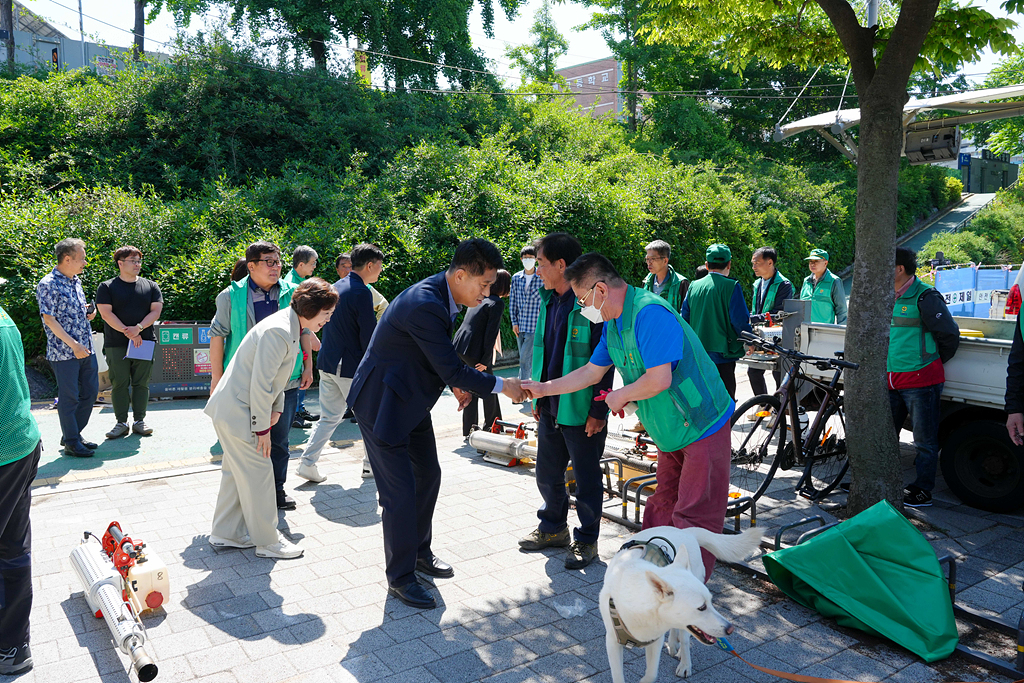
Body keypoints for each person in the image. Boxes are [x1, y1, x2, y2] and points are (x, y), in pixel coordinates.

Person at [523, 253, 733, 582]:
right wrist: (544, 388)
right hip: (669, 430)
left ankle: (687, 592)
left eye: (582, 299)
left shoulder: (649, 313)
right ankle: (649, 574)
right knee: (663, 502)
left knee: (694, 514)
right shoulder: (613, 324)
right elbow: (592, 372)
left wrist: (620, 395)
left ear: (601, 290)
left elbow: (659, 379)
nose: (581, 308)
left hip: (702, 424)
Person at [347, 239, 528, 609]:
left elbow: (434, 356)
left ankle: (418, 554)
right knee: (398, 494)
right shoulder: (425, 303)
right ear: (460, 275)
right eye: (483, 284)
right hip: (383, 404)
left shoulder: (445, 296)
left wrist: (456, 382)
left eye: (491, 285)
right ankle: (399, 577)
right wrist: (501, 386)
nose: (487, 292)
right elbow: (448, 364)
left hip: (409, 399)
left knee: (428, 475)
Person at [205, 279, 337, 559]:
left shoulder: (288, 325)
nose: (328, 319)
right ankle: (267, 541)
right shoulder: (279, 331)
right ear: (312, 309)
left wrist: (275, 409)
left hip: (234, 409)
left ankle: (225, 533)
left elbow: (273, 379)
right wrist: (262, 428)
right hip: (240, 411)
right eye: (327, 314)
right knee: (260, 475)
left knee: (236, 474)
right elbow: (262, 384)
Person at [518, 234, 614, 570]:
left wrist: (599, 410)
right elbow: (543, 352)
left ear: (562, 265)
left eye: (541, 263)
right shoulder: (548, 300)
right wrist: (538, 396)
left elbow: (607, 360)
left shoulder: (590, 305)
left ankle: (586, 539)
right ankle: (553, 528)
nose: (537, 269)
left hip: (582, 408)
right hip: (550, 405)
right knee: (546, 473)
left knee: (586, 479)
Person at [209, 241, 314, 511]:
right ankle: (250, 494)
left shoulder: (293, 293)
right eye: (269, 261)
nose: (276, 266)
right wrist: (216, 379)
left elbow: (305, 331)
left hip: (285, 379)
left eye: (278, 261)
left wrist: (308, 366)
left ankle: (277, 490)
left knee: (279, 440)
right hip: (243, 382)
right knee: (248, 440)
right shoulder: (230, 296)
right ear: (251, 265)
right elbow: (218, 336)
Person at [297, 243, 385, 484]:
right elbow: (369, 336)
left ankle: (307, 463)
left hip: (327, 361)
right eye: (379, 266)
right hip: (349, 367)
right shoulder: (361, 292)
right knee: (370, 417)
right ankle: (370, 466)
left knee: (330, 416)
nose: (380, 271)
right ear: (369, 265)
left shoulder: (336, 287)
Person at [887, 248, 959, 508]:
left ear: (899, 269)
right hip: (892, 379)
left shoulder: (925, 296)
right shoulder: (887, 295)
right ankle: (881, 482)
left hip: (921, 381)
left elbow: (949, 335)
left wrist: (928, 363)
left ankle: (923, 490)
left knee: (925, 441)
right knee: (885, 436)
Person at [0, 306, 42, 675]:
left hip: (3, 453)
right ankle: (12, 645)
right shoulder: (3, 316)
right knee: (12, 550)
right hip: (19, 444)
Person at [36, 238, 99, 458]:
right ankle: (72, 441)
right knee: (70, 397)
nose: (85, 262)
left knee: (91, 393)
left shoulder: (76, 281)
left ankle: (72, 433)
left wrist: (90, 312)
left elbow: (75, 310)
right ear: (67, 258)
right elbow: (49, 320)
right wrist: (73, 345)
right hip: (65, 352)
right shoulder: (47, 283)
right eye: (82, 258)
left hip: (86, 348)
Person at [95, 246, 163, 439]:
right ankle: (121, 422)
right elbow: (106, 314)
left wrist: (139, 328)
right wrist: (130, 333)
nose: (137, 264)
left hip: (145, 341)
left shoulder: (150, 286)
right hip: (116, 343)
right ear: (120, 263)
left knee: (142, 383)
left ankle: (139, 421)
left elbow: (156, 311)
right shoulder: (106, 287)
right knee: (119, 383)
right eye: (133, 261)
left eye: (139, 261)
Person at [680, 244, 753, 400]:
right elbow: (739, 321)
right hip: (723, 352)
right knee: (725, 396)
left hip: (698, 352)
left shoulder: (694, 286)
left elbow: (684, 318)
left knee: (703, 396)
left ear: (706, 265)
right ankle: (726, 424)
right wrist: (751, 341)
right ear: (729, 264)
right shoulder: (732, 286)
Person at [453, 269, 511, 436]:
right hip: (474, 350)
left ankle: (469, 429)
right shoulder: (497, 303)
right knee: (490, 386)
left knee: (472, 386)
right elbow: (490, 334)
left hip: (461, 345)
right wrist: (485, 361)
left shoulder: (483, 299)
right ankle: (493, 426)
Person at [747, 246, 793, 397]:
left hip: (777, 336)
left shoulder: (784, 285)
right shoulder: (757, 284)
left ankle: (779, 409)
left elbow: (779, 313)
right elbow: (756, 309)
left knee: (778, 372)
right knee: (753, 370)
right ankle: (764, 406)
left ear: (770, 263)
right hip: (759, 334)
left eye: (757, 263)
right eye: (753, 263)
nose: (754, 267)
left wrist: (753, 319)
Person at [284, 246, 321, 427]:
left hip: (299, 338)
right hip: (295, 339)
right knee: (297, 373)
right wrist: (311, 334)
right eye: (312, 263)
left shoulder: (297, 281)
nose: (314, 267)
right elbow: (298, 317)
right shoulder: (292, 285)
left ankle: (299, 409)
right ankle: (295, 414)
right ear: (301, 264)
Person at [510, 245, 543, 389]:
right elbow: (513, 302)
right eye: (525, 258)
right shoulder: (516, 278)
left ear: (536, 259)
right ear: (521, 259)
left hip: (534, 326)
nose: (528, 260)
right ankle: (530, 386)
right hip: (520, 325)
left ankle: (521, 389)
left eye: (531, 258)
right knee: (525, 359)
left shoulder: (541, 278)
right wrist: (514, 322)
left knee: (524, 359)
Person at [801, 248, 848, 324]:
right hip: (805, 328)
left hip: (824, 330)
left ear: (825, 263)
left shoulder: (834, 281)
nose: (812, 264)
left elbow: (841, 310)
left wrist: (841, 331)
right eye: (810, 261)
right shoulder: (806, 281)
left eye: (816, 261)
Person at [642, 239, 689, 312]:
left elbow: (686, 315)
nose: (649, 263)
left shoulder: (681, 283)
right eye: (647, 259)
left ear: (665, 261)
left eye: (653, 259)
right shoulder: (646, 282)